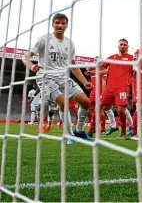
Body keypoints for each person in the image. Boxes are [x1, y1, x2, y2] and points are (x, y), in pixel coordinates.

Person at [22, 13, 93, 144]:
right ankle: (69, 135)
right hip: (46, 77)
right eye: (57, 23)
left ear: (67, 25)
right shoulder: (44, 39)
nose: (60, 25)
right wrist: (32, 67)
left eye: (63, 23)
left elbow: (73, 66)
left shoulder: (70, 44)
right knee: (63, 102)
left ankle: (78, 131)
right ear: (53, 24)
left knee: (86, 102)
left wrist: (85, 82)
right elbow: (25, 57)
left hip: (63, 77)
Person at [100, 39, 133, 139]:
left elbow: (135, 67)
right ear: (118, 46)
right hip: (110, 87)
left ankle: (124, 131)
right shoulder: (111, 58)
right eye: (121, 44)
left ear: (127, 47)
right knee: (100, 106)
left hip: (123, 87)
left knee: (121, 110)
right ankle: (94, 129)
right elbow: (101, 67)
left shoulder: (131, 58)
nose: (123, 46)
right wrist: (98, 71)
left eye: (125, 45)